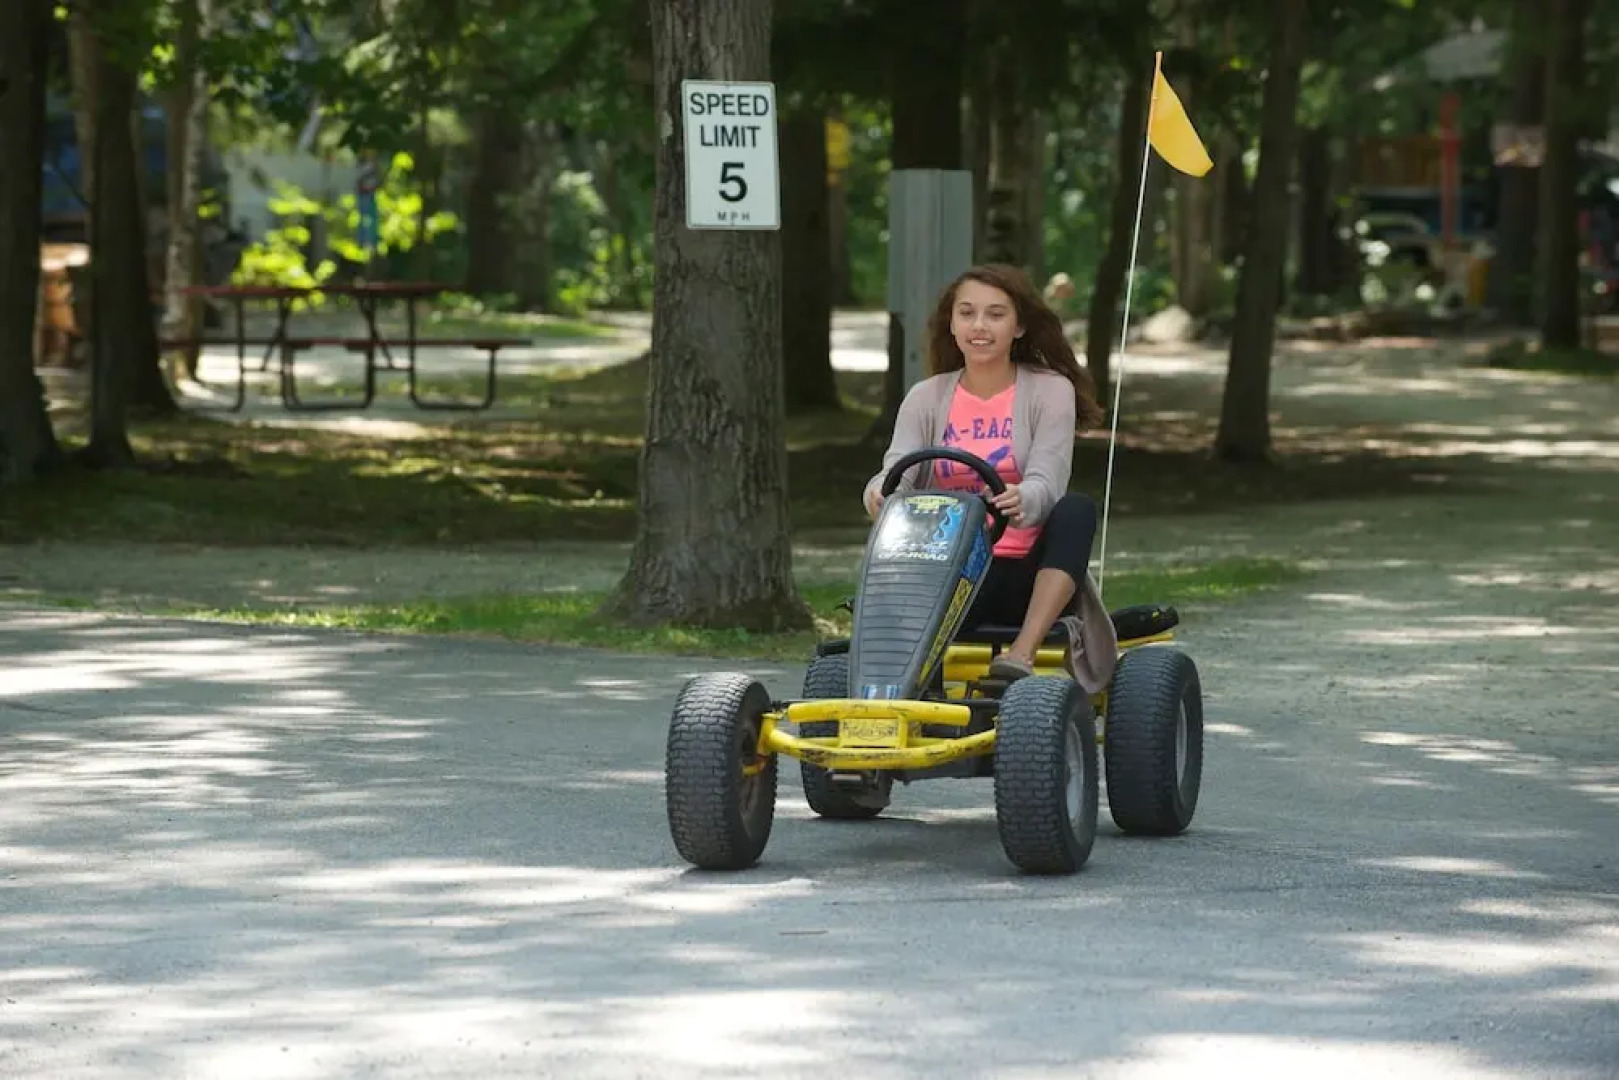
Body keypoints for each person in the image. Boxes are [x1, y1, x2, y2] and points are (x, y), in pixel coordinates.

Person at [862, 263, 1117, 689]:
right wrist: (877, 492)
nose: (980, 326)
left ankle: (1022, 653)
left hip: (1024, 573)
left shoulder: (1050, 390)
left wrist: (1025, 499)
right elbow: (897, 469)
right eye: (967, 313)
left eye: (995, 314)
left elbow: (1048, 478)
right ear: (953, 323)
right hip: (946, 574)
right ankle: (908, 682)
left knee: (1076, 509)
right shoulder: (926, 397)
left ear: (1019, 327)